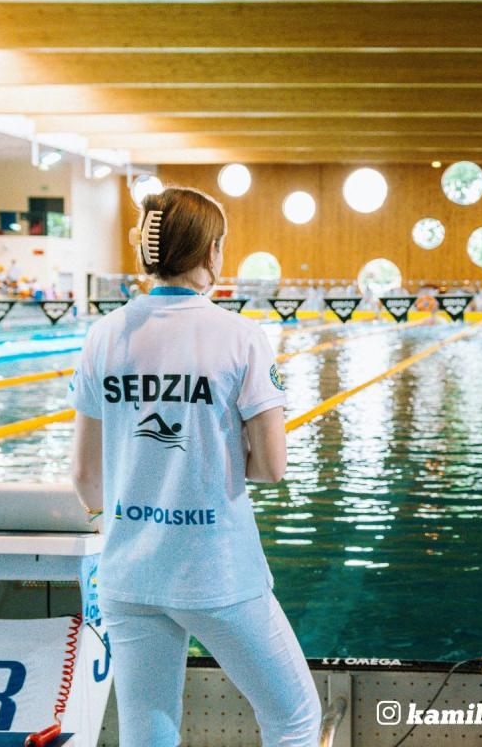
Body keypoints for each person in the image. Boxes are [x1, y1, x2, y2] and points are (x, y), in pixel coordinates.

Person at [70, 187, 320, 746]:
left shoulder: (103, 336)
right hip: (216, 572)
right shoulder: (240, 337)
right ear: (212, 252)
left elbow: (85, 476)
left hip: (127, 574)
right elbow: (272, 465)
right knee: (295, 719)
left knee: (148, 731)